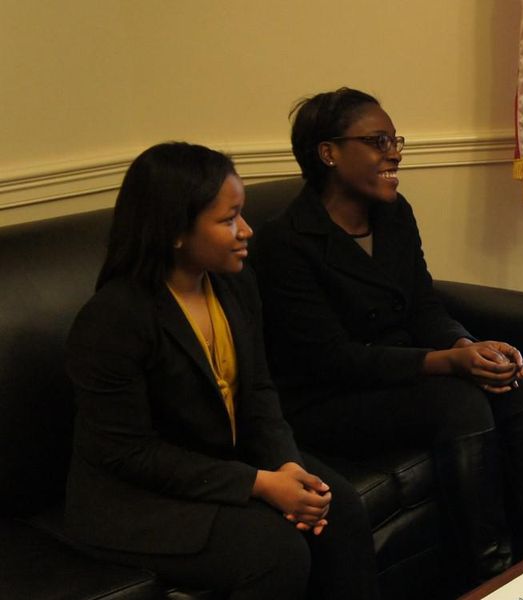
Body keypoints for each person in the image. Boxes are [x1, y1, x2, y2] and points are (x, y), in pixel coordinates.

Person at [252, 88, 523, 584]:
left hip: (403, 373)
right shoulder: (284, 242)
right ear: (329, 153)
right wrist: (445, 362)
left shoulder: (395, 214)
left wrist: (465, 347)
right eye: (378, 141)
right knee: (458, 404)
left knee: (510, 380)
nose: (394, 152)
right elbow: (332, 360)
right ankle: (492, 579)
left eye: (394, 139)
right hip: (327, 400)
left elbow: (424, 306)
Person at [64, 142, 379, 600]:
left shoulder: (232, 283)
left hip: (217, 463)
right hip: (135, 500)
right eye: (228, 219)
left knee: (341, 509)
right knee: (275, 550)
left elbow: (258, 392)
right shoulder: (112, 320)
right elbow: (129, 453)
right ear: (174, 230)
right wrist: (260, 483)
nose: (246, 230)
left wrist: (286, 464)